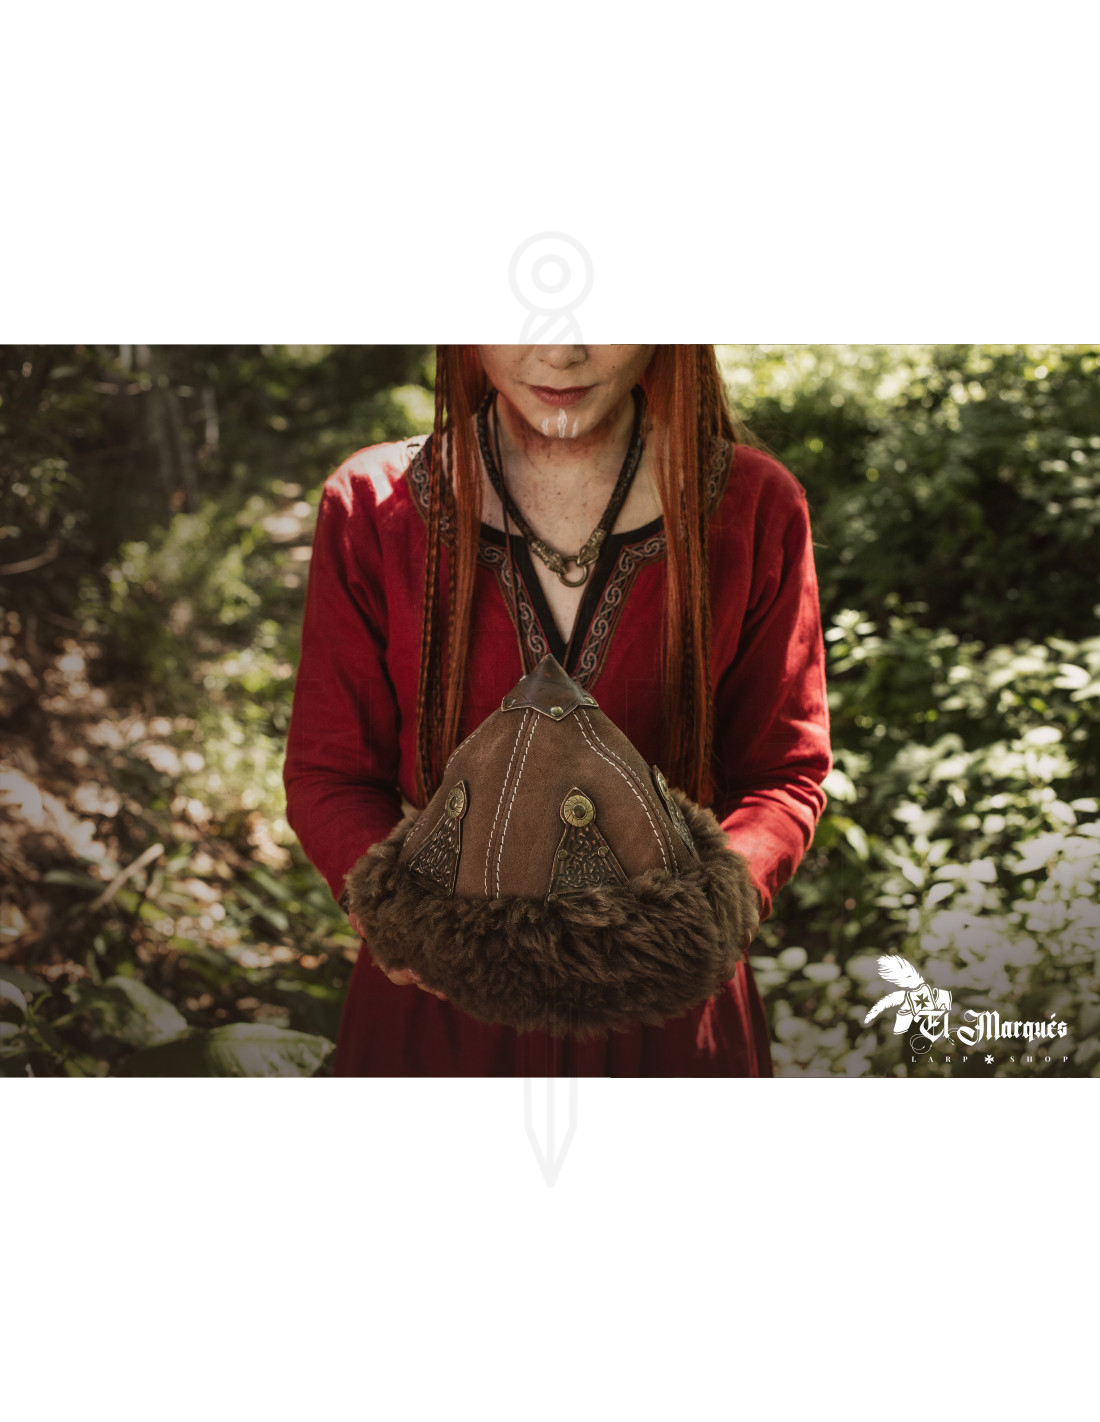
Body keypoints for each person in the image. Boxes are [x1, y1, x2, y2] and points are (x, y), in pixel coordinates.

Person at [282, 345, 831, 1076]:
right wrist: (411, 930)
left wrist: (711, 913)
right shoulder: (373, 505)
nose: (560, 350)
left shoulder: (754, 504)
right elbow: (330, 772)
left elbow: (783, 772)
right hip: (437, 1018)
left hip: (669, 1017)